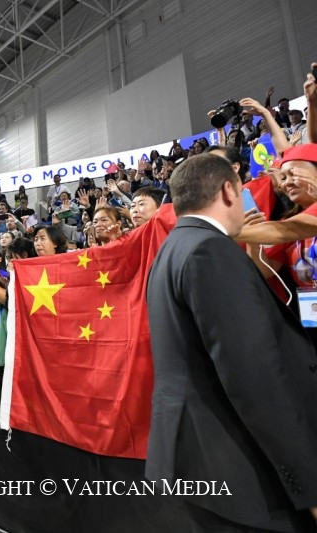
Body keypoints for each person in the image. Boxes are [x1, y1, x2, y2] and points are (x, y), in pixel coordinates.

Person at [146, 154, 317, 532]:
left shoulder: (173, 249)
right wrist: (309, 486)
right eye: (242, 193)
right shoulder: (211, 251)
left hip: (203, 466)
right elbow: (256, 381)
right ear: (228, 190)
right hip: (241, 474)